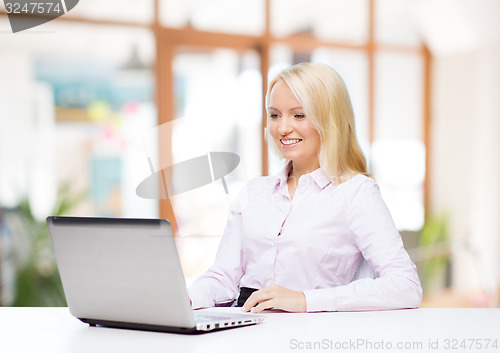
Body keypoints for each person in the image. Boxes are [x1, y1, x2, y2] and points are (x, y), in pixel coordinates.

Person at [188, 62, 422, 313]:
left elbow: (405, 286)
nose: (282, 127)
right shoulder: (254, 192)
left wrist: (304, 300)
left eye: (299, 115)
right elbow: (224, 277)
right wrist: (185, 298)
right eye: (275, 115)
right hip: (246, 325)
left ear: (330, 120)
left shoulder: (356, 193)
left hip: (311, 333)